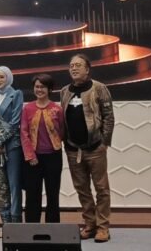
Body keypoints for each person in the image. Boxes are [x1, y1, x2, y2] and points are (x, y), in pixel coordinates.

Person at [60, 54, 115, 243]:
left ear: (87, 69)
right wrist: (65, 143)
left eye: (78, 65)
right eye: (71, 66)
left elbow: (108, 117)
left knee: (101, 189)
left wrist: (104, 142)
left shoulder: (99, 88)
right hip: (73, 149)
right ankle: (90, 225)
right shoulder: (64, 91)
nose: (74, 69)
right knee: (82, 189)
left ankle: (103, 227)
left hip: (95, 148)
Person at [20, 73, 65, 224]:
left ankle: (52, 228)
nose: (39, 90)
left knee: (53, 194)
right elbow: (24, 133)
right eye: (37, 87)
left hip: (53, 157)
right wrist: (30, 155)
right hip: (33, 159)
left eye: (43, 87)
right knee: (32, 194)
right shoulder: (27, 108)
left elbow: (62, 131)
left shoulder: (57, 109)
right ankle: (32, 228)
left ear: (49, 89)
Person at [0, 66, 24, 223]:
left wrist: (0, 141)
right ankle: (5, 221)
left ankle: (16, 220)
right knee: (1, 185)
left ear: (8, 78)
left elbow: (15, 123)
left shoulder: (16, 94)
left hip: (12, 146)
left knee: (14, 184)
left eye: (2, 77)